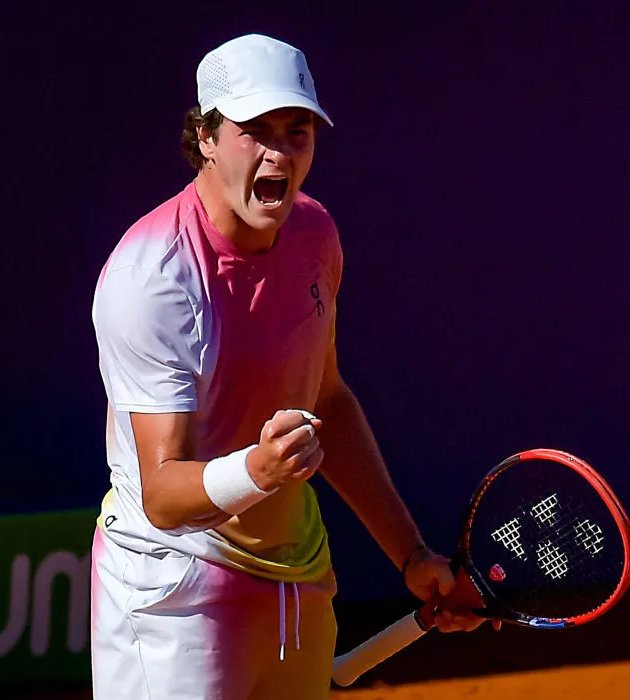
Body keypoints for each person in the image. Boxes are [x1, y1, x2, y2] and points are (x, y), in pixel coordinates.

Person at [90, 33, 485, 700]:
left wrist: (411, 555)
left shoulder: (313, 235)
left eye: (296, 130)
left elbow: (325, 401)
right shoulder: (153, 279)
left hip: (296, 574)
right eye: (253, 131)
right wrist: (259, 469)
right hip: (176, 592)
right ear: (205, 138)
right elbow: (162, 495)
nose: (279, 152)